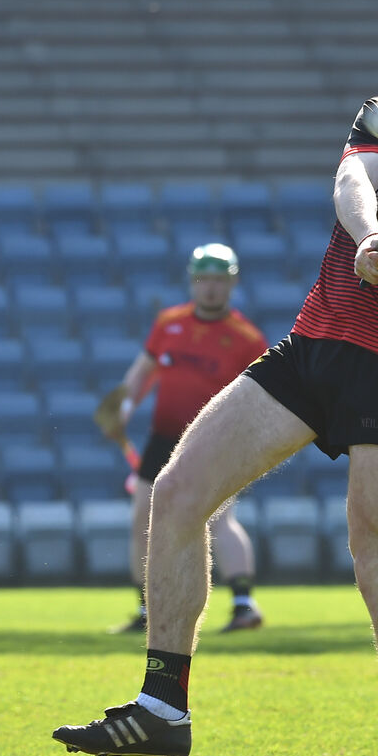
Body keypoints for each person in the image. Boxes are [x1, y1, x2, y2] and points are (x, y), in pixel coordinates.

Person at [53, 0, 378, 756]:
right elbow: (352, 181)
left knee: (377, 560)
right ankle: (163, 705)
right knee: (176, 493)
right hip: (312, 348)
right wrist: (372, 236)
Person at [100, 243, 269, 635]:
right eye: (204, 279)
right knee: (143, 520)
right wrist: (123, 410)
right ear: (192, 281)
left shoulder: (246, 338)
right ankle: (147, 608)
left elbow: (259, 395)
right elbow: (142, 373)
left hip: (215, 439)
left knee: (219, 519)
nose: (210, 288)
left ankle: (244, 605)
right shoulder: (169, 323)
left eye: (219, 280)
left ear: (232, 283)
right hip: (163, 437)